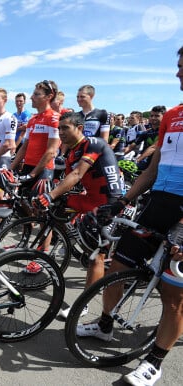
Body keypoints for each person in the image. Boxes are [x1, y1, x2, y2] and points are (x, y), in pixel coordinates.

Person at [78, 46, 183, 386]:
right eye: (178, 66)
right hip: (159, 201)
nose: (178, 73)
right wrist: (122, 201)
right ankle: (106, 325)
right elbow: (153, 167)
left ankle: (154, 361)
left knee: (173, 295)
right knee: (119, 265)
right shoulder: (173, 114)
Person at [32, 112, 122, 318]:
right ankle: (72, 241)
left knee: (95, 257)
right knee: (57, 208)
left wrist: (51, 195)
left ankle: (83, 305)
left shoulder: (94, 143)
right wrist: (52, 195)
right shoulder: (72, 151)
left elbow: (77, 174)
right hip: (91, 198)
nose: (61, 132)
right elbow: (68, 180)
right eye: (59, 128)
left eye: (66, 128)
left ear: (79, 129)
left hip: (109, 203)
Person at [11, 80, 60, 188]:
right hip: (28, 167)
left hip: (43, 169)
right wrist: (10, 169)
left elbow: (51, 151)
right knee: (20, 203)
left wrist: (32, 174)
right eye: (33, 94)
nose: (32, 97)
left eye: (37, 94)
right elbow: (24, 147)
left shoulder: (54, 118)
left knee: (36, 204)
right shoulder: (32, 119)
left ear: (49, 96)